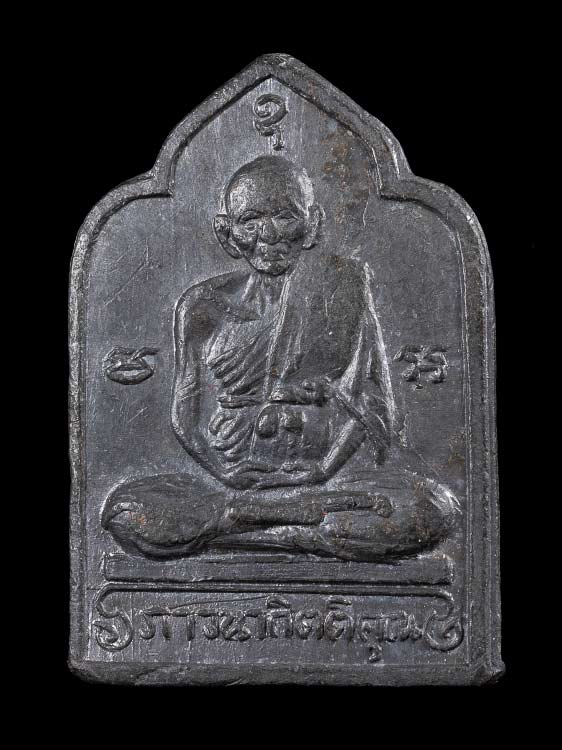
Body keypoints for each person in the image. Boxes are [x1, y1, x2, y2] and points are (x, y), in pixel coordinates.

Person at [103, 156, 458, 561]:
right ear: (226, 233)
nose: (269, 235)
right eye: (251, 220)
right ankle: (288, 525)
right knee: (126, 511)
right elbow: (184, 414)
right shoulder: (202, 305)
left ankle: (244, 528)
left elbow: (372, 400)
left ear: (313, 223)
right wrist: (223, 473)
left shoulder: (343, 288)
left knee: (433, 510)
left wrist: (324, 469)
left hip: (321, 479)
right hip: (230, 481)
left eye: (285, 217)